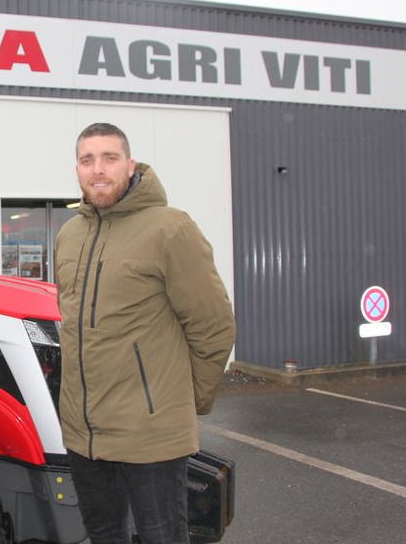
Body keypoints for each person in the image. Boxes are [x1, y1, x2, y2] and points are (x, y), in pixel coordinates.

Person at [54, 123, 236, 544]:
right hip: (84, 433)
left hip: (150, 435)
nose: (98, 169)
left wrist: (182, 403)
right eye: (87, 159)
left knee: (162, 537)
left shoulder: (170, 229)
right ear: (78, 169)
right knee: (103, 535)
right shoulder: (69, 235)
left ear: (130, 165)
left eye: (109, 158)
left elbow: (213, 326)